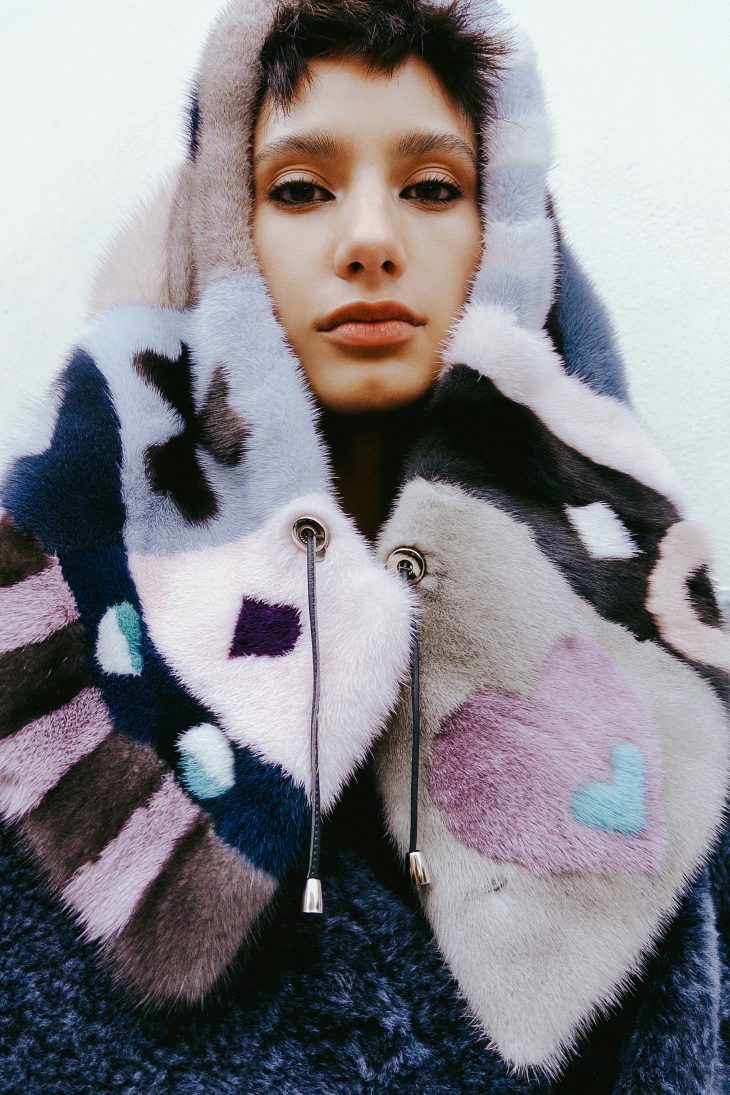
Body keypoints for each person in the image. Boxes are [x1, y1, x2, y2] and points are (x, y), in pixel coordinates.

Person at [1, 1, 729, 1091]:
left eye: (432, 188)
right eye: (301, 189)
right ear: (224, 232)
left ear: (506, 237)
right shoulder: (48, 639)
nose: (371, 240)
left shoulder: (660, 660)